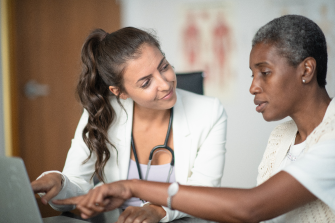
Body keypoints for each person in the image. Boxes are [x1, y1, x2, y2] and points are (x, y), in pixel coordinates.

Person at [54, 15, 335, 223]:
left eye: (264, 72)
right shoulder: (281, 137)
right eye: (253, 74)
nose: (252, 87)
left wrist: (133, 187)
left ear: (306, 70)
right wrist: (57, 181)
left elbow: (252, 207)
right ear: (120, 92)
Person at [31, 27, 228, 222]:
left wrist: (159, 210)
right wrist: (59, 181)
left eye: (164, 67)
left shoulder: (210, 112)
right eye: (146, 83)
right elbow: (76, 185)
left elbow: (204, 191)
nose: (165, 84)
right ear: (120, 92)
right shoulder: (101, 112)